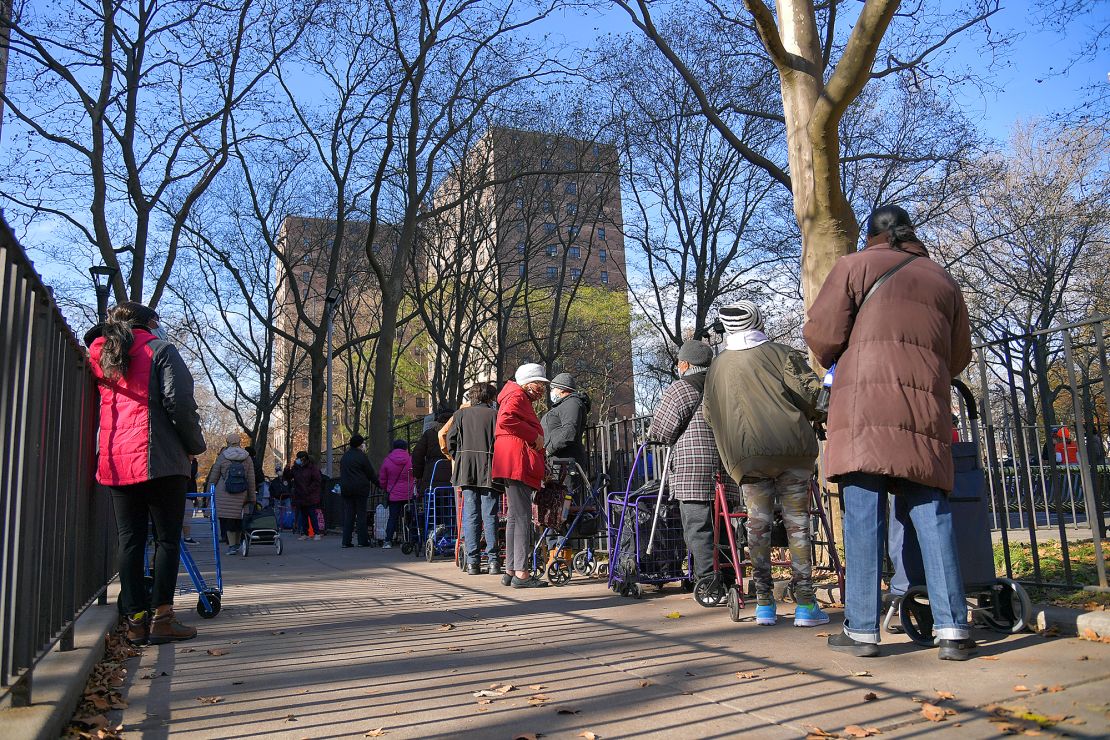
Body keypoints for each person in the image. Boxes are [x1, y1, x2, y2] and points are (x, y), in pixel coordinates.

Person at [804, 204, 974, 661]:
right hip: (923, 409)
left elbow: (822, 337)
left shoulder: (853, 267)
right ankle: (953, 628)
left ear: (871, 236)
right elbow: (958, 356)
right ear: (910, 233)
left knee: (863, 517)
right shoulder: (942, 279)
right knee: (932, 514)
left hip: (863, 409)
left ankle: (861, 630)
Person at [85, 301, 206, 645]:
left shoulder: (100, 355)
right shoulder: (160, 350)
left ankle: (135, 620)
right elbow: (179, 402)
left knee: (131, 540)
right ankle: (163, 618)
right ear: (150, 322)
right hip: (161, 459)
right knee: (167, 540)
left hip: (116, 458)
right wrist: (195, 445)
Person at [703, 303, 829, 628]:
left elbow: (708, 414)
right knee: (798, 525)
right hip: (791, 453)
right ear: (759, 321)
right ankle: (805, 605)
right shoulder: (783, 355)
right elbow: (814, 398)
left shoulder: (716, 368)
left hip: (747, 458)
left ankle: (763, 604)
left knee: (757, 527)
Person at [647, 339, 741, 590]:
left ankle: (708, 581)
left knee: (699, 528)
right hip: (727, 466)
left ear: (685, 364)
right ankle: (729, 577)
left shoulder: (680, 389)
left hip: (693, 469)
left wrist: (651, 435)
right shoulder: (725, 388)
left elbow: (663, 432)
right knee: (724, 527)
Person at [491, 363, 550, 589]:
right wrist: (534, 435)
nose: (542, 389)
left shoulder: (512, 394)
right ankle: (522, 573)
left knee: (515, 517)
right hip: (518, 461)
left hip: (510, 460)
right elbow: (505, 420)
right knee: (522, 517)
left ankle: (511, 570)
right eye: (539, 383)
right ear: (527, 382)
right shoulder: (517, 395)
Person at [448, 382, 500, 575]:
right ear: (490, 397)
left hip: (466, 469)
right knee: (490, 514)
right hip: (489, 468)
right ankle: (494, 561)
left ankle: (473, 562)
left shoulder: (460, 415)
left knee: (470, 515)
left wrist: (459, 457)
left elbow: (450, 440)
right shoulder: (495, 416)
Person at [208, 432, 258, 556]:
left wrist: (208, 493)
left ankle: (232, 546)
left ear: (228, 442)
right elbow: (251, 479)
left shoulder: (222, 456)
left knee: (228, 520)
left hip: (225, 493)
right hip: (242, 493)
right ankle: (237, 543)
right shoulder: (247, 457)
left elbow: (214, 477)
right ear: (240, 442)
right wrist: (252, 497)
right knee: (238, 519)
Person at [541, 372, 591, 469]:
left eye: (552, 389)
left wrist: (548, 450)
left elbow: (570, 430)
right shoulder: (565, 404)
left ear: (562, 389)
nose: (551, 392)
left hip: (565, 463)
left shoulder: (572, 403)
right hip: (559, 461)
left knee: (565, 485)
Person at [339, 434, 377, 548]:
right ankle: (362, 540)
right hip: (360, 488)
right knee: (361, 514)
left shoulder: (345, 457)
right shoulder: (362, 456)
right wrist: (379, 483)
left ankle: (346, 541)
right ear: (360, 444)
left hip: (346, 488)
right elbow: (370, 473)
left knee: (349, 514)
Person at [379, 439, 415, 548]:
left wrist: (385, 488)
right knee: (409, 517)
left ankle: (388, 541)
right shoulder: (410, 459)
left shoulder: (387, 460)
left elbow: (383, 479)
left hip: (394, 495)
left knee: (393, 518)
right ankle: (409, 539)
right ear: (405, 448)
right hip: (408, 494)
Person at [413, 407, 454, 495]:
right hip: (454, 475)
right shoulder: (459, 433)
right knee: (454, 505)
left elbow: (417, 454)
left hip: (432, 476)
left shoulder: (429, 434)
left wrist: (419, 475)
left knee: (434, 506)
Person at [284, 451, 324, 540]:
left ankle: (316, 532)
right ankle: (305, 533)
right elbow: (288, 477)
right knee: (304, 515)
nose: (297, 460)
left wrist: (308, 489)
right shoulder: (296, 468)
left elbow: (317, 480)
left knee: (312, 514)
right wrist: (286, 469)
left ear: (304, 459)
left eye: (299, 458)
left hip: (310, 495)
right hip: (300, 495)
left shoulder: (312, 468)